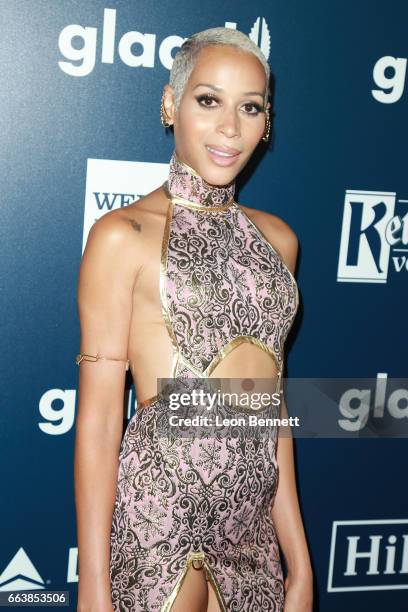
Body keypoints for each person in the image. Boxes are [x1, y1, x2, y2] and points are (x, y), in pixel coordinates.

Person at [74, 27, 313, 612]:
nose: (231, 127)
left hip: (253, 539)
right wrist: (93, 588)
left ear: (266, 120)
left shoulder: (278, 242)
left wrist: (300, 562)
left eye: (250, 107)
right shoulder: (120, 236)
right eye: (209, 100)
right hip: (156, 526)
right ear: (169, 104)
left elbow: (269, 411)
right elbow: (101, 421)